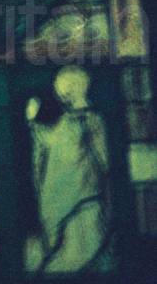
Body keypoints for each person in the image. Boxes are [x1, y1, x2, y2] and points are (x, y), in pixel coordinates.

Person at [25, 66, 113, 273]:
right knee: (54, 220)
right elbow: (49, 140)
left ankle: (82, 261)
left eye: (67, 86)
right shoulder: (63, 119)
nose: (62, 92)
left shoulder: (92, 118)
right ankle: (62, 258)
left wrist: (101, 171)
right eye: (61, 87)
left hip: (84, 184)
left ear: (80, 87)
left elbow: (103, 154)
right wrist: (32, 121)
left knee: (84, 224)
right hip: (57, 183)